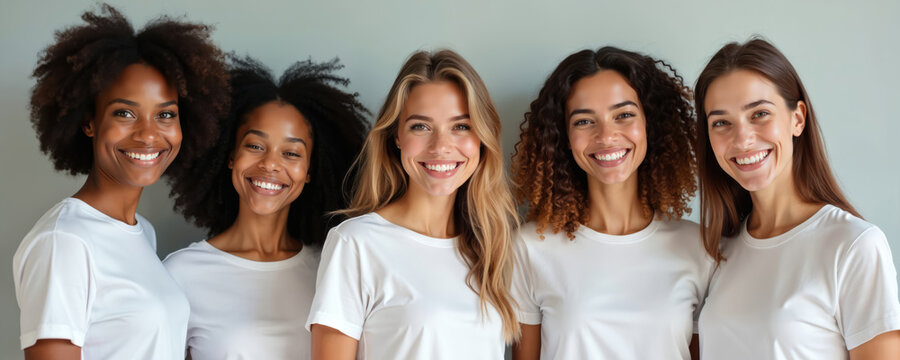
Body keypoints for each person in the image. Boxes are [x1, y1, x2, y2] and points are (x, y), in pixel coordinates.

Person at [12, 4, 228, 359]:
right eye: (124, 113)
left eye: (165, 114)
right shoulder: (64, 241)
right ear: (89, 122)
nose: (148, 134)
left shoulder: (141, 231)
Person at [306, 49, 519, 359]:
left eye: (461, 126)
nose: (441, 147)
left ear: (482, 137)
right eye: (421, 126)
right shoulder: (356, 243)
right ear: (396, 136)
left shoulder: (492, 246)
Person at [695, 38, 900, 359]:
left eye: (759, 113)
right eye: (721, 123)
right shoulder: (717, 251)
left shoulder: (853, 246)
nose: (742, 139)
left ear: (798, 118)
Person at [509, 47, 713, 360]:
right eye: (583, 121)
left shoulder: (698, 247)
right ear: (563, 136)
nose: (606, 136)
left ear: (650, 123)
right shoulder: (530, 247)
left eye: (624, 115)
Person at [162, 55, 368, 359]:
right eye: (255, 146)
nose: (270, 164)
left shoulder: (332, 270)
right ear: (230, 155)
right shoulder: (181, 273)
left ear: (310, 171)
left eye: (292, 153)